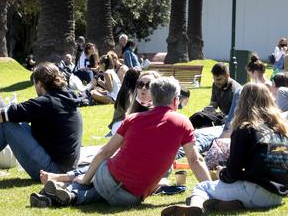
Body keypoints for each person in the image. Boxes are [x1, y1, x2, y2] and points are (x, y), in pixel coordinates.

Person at [31, 76, 211, 208]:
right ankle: (68, 194)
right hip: (130, 198)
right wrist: (210, 190)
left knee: (100, 177)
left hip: (107, 179)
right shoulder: (183, 123)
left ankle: (68, 192)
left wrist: (85, 179)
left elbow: (105, 152)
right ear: (176, 100)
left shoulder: (133, 119)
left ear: (152, 98)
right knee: (111, 189)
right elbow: (195, 161)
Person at [162, 83, 288, 215]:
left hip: (254, 191)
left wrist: (221, 173)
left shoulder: (245, 129)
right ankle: (231, 204)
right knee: (235, 189)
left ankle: (196, 206)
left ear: (242, 103)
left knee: (203, 187)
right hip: (277, 197)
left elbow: (233, 173)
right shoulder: (282, 130)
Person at [0, 63, 83, 185]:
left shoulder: (45, 102)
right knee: (11, 120)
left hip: (52, 171)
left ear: (39, 84)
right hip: (64, 168)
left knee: (5, 123)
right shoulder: (65, 98)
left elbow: (2, 116)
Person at [108, 68, 143, 133]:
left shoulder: (123, 90)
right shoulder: (129, 93)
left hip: (116, 126)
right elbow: (129, 113)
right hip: (121, 126)